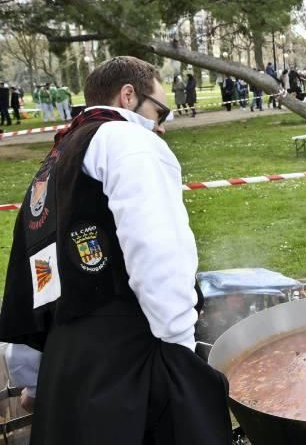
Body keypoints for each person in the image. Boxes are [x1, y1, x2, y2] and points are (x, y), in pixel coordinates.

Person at [0, 56, 231, 444]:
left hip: (65, 372)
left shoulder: (51, 165)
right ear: (128, 96)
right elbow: (157, 251)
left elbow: (32, 284)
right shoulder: (128, 140)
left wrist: (34, 378)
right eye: (160, 112)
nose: (161, 127)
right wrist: (183, 353)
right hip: (129, 366)